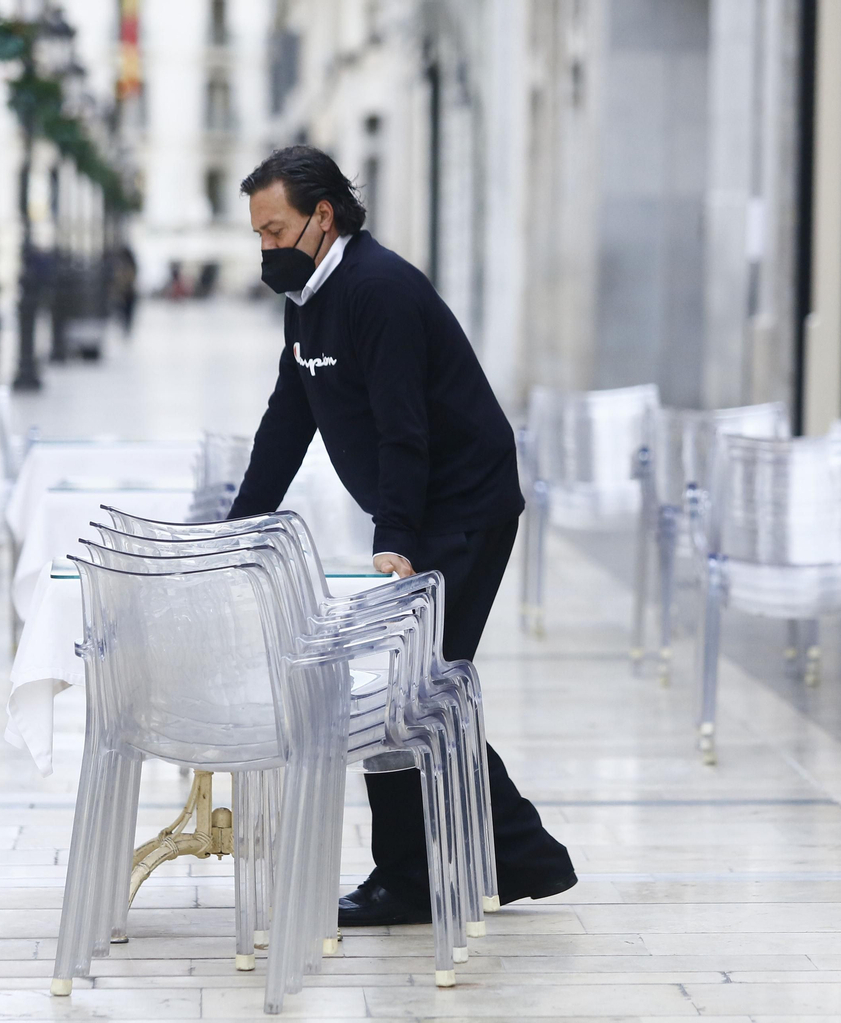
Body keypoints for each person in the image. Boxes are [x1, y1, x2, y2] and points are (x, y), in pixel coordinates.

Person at [228, 145, 577, 927]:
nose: (266, 249)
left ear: (323, 217)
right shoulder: (308, 297)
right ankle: (519, 854)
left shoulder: (378, 289)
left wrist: (397, 537)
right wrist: (239, 530)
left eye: (275, 230)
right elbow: (288, 422)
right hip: (427, 509)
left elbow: (403, 428)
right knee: (417, 689)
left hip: (465, 507)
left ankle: (414, 875)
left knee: (399, 686)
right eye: (257, 234)